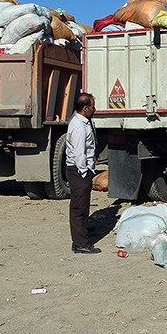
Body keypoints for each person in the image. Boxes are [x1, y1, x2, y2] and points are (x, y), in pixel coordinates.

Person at [66, 92, 101, 254]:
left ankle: (82, 236)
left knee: (83, 205)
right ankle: (80, 244)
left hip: (82, 170)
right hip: (79, 171)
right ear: (85, 108)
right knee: (79, 207)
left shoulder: (84, 122)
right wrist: (84, 172)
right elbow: (79, 153)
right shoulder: (79, 126)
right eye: (92, 106)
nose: (94, 109)